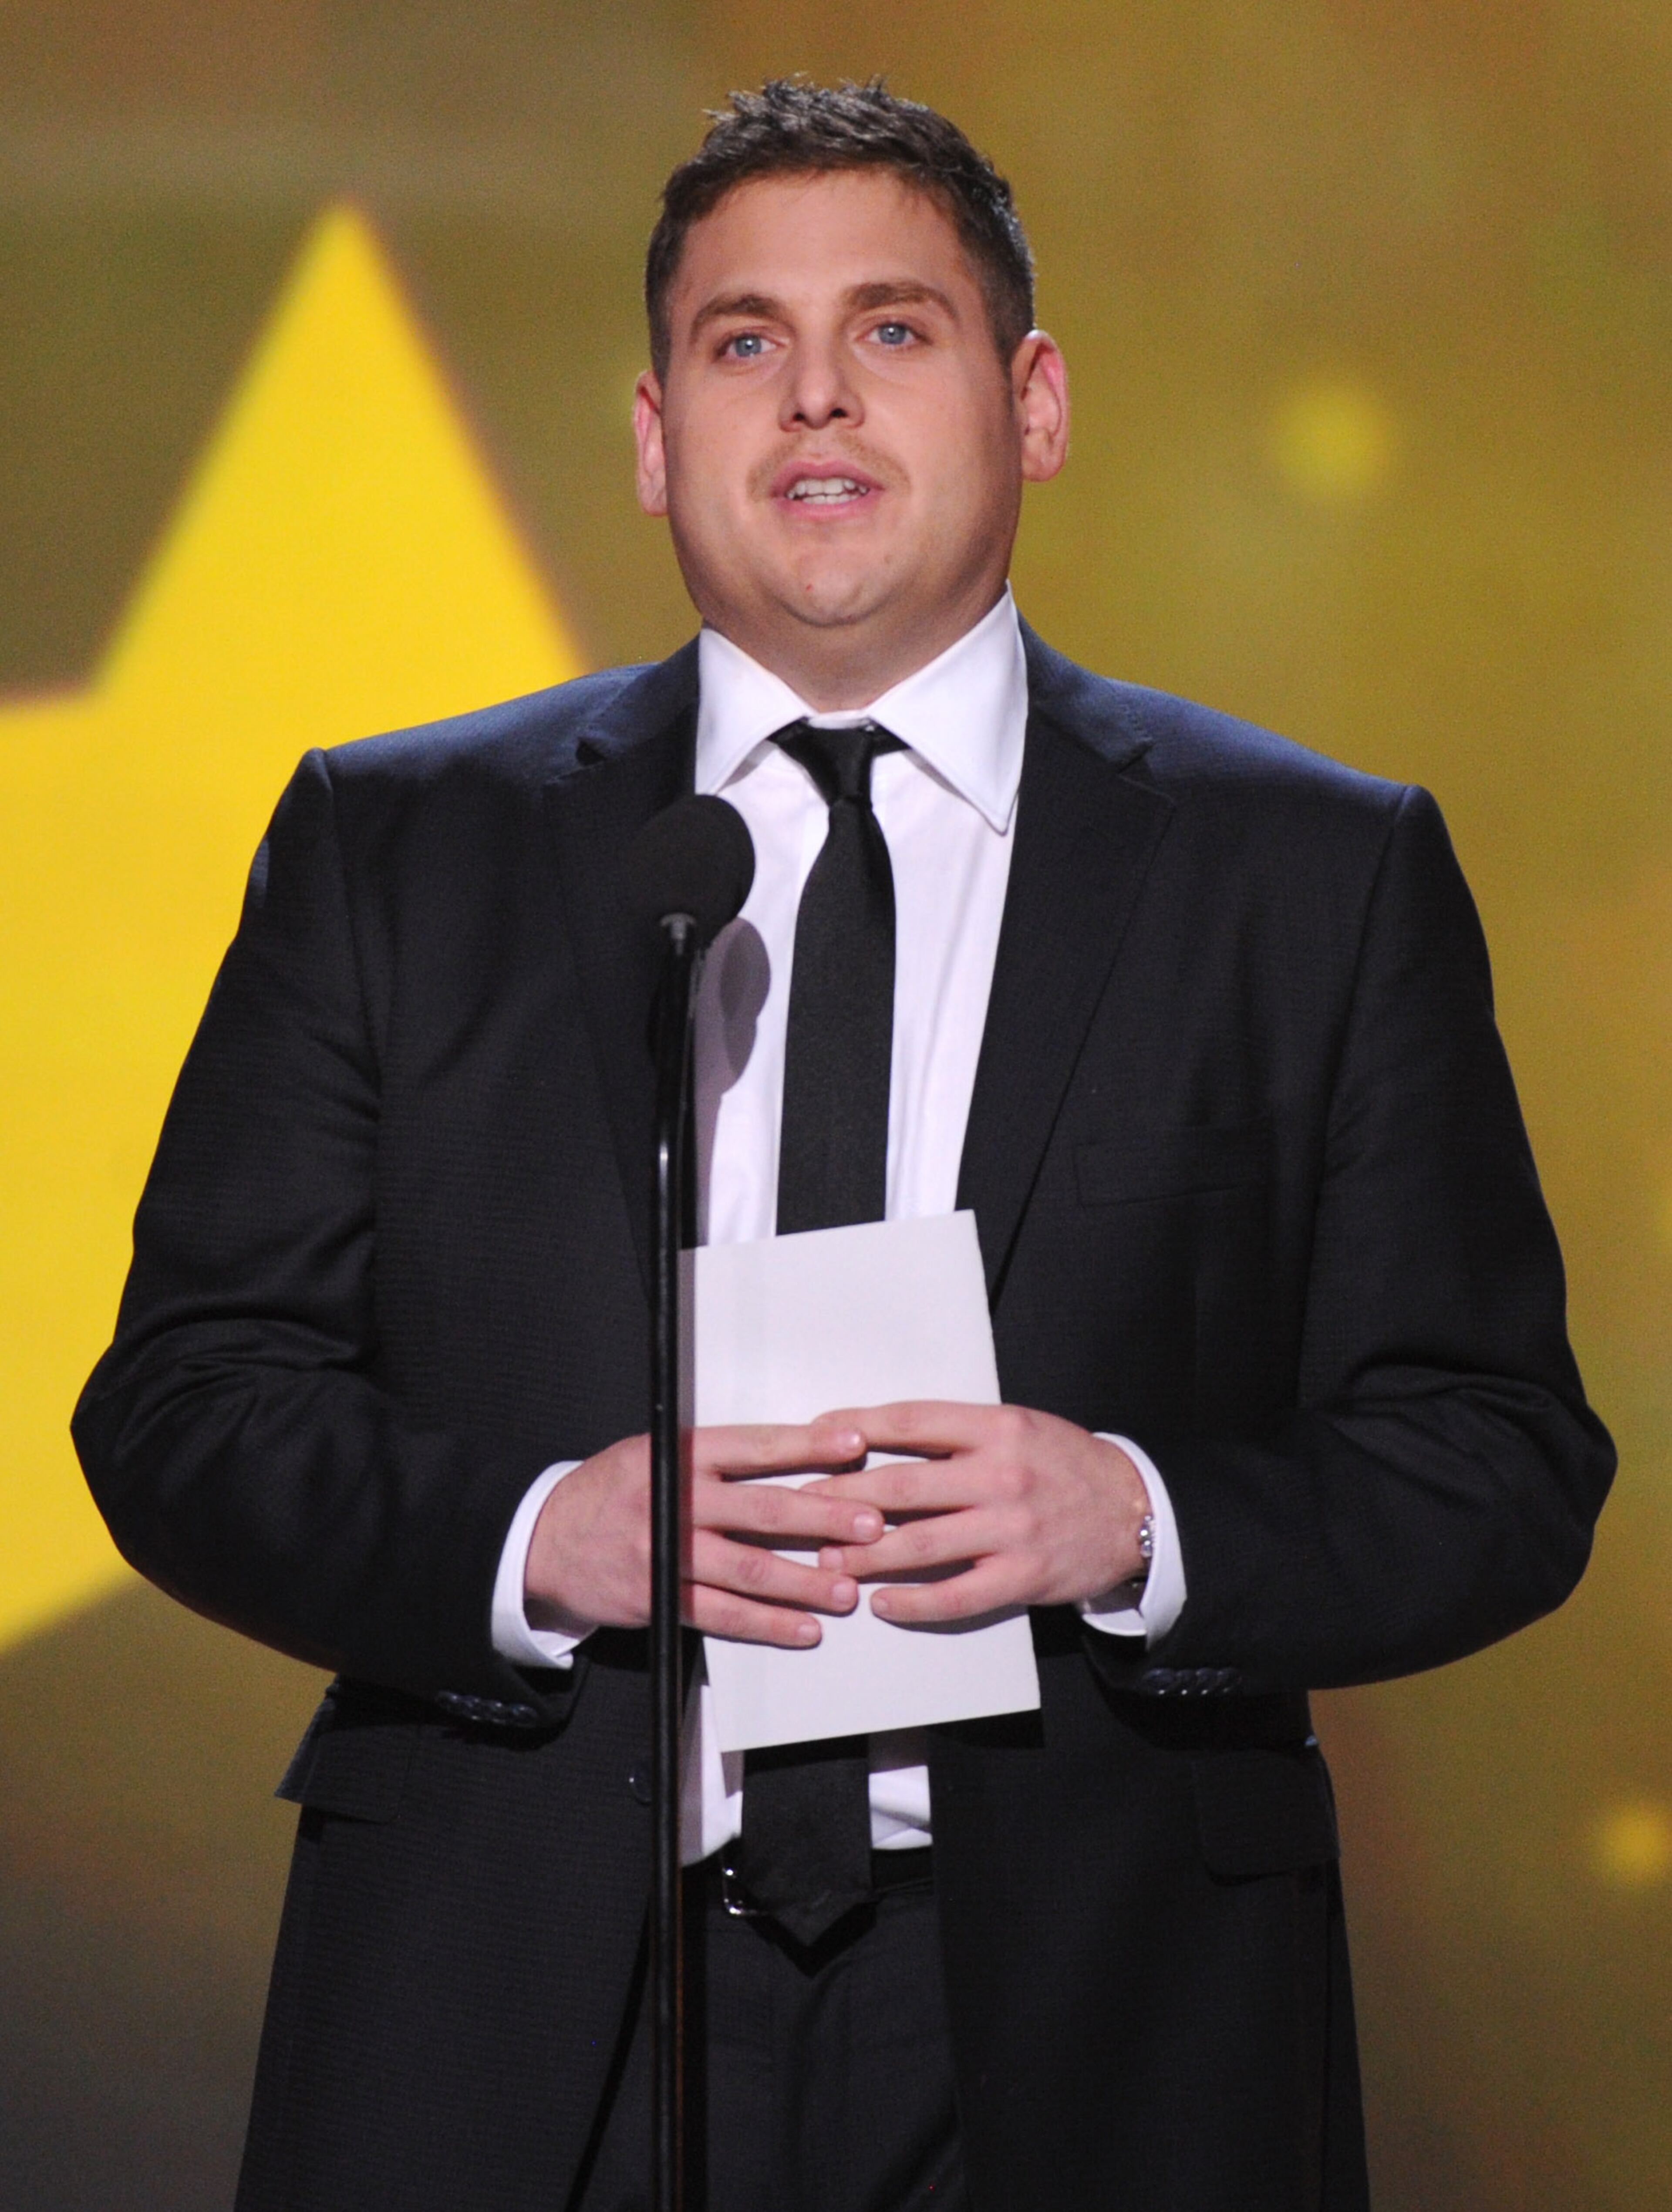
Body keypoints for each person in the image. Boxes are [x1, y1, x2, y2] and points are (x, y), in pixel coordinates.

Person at [74, 78, 1613, 2212]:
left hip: (1100, 2029)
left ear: (1035, 401)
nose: (815, 396)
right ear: (650, 435)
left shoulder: (1311, 872)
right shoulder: (397, 842)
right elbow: (182, 1403)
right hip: (525, 2000)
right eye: (742, 342)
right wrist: (539, 1542)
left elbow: (1500, 1459)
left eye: (893, 329)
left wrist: (1138, 1515)